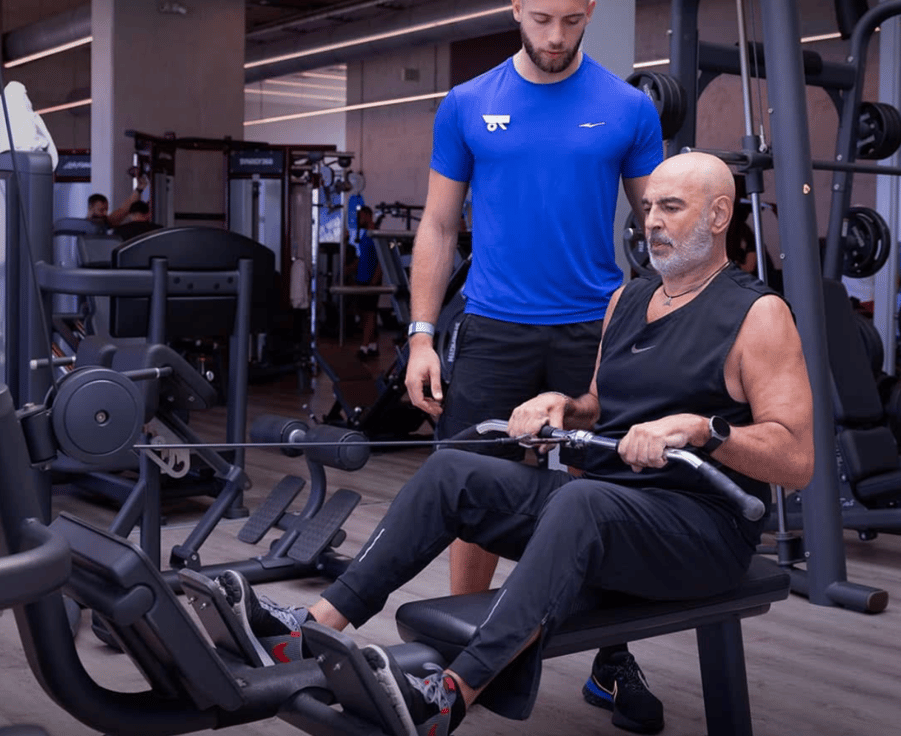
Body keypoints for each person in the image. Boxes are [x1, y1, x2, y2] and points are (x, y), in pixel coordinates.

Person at [215, 152, 815, 736]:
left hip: (701, 532)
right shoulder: (627, 300)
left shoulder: (757, 314)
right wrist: (564, 403)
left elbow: (796, 460)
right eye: (649, 206)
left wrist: (702, 429)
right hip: (609, 514)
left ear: (718, 216)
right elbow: (604, 406)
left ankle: (451, 695)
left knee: (583, 502)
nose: (652, 220)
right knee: (455, 468)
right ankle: (312, 624)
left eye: (672, 207)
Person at [402, 0, 664, 718]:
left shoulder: (627, 108)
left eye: (570, 21)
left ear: (590, 14)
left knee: (597, 499)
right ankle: (462, 658)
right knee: (472, 495)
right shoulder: (465, 102)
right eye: (541, 19)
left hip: (594, 332)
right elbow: (439, 224)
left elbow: (660, 224)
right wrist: (421, 334)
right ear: (516, 10)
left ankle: (609, 658)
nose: (554, 35)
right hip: (491, 330)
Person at [349, 205, 382, 359]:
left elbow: (382, 259)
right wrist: (350, 269)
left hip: (371, 280)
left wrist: (375, 279)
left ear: (368, 216)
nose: (358, 220)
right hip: (362, 278)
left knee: (368, 314)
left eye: (360, 216)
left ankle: (364, 348)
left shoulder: (375, 233)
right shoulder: (365, 234)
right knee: (367, 313)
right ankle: (373, 346)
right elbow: (363, 258)